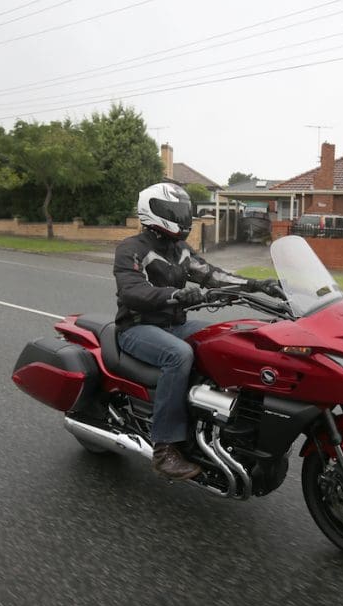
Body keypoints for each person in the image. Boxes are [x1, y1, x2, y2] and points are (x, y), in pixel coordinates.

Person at [113, 182, 283, 480]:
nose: (181, 217)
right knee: (179, 355)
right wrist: (176, 294)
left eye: (182, 210)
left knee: (230, 339)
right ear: (153, 211)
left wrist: (257, 285)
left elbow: (212, 275)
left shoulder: (179, 250)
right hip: (138, 327)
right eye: (174, 211)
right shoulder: (131, 249)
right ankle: (164, 448)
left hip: (175, 325)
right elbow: (132, 291)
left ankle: (228, 420)